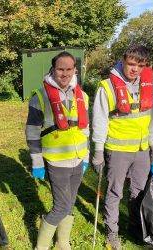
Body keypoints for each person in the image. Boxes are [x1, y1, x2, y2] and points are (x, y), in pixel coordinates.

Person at [91, 44, 153, 250]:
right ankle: (112, 232)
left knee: (139, 192)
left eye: (140, 65)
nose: (135, 70)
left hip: (142, 150)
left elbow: (151, 118)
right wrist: (98, 151)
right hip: (117, 150)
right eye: (131, 64)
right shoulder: (107, 87)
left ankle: (135, 227)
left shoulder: (146, 84)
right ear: (123, 60)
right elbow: (100, 120)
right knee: (115, 193)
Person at [25, 51, 90, 250]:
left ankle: (63, 243)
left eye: (68, 69)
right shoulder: (40, 95)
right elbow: (32, 132)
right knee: (61, 206)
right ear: (53, 69)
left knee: (69, 204)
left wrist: (86, 156)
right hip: (56, 161)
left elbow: (85, 129)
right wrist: (37, 163)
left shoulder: (83, 95)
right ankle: (42, 247)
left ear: (75, 70)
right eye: (60, 69)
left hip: (78, 159)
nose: (64, 73)